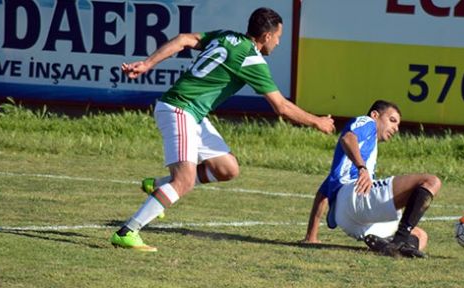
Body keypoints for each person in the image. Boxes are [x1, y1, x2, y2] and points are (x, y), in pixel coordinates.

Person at [111, 7, 335, 252]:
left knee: (227, 169)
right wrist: (317, 122)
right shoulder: (252, 59)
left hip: (192, 113)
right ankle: (128, 231)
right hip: (180, 109)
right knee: (184, 181)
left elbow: (185, 38)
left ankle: (159, 185)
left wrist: (147, 63)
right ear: (267, 36)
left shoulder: (227, 36)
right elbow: (281, 106)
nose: (279, 42)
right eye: (278, 36)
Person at [303, 100, 441, 258]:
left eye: (397, 125)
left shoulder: (362, 151)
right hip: (352, 197)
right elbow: (348, 137)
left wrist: (311, 237)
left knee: (420, 235)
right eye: (392, 120)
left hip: (351, 221)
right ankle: (399, 242)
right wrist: (362, 168)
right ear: (375, 115)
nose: (395, 128)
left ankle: (390, 246)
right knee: (431, 182)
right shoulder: (368, 122)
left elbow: (322, 193)